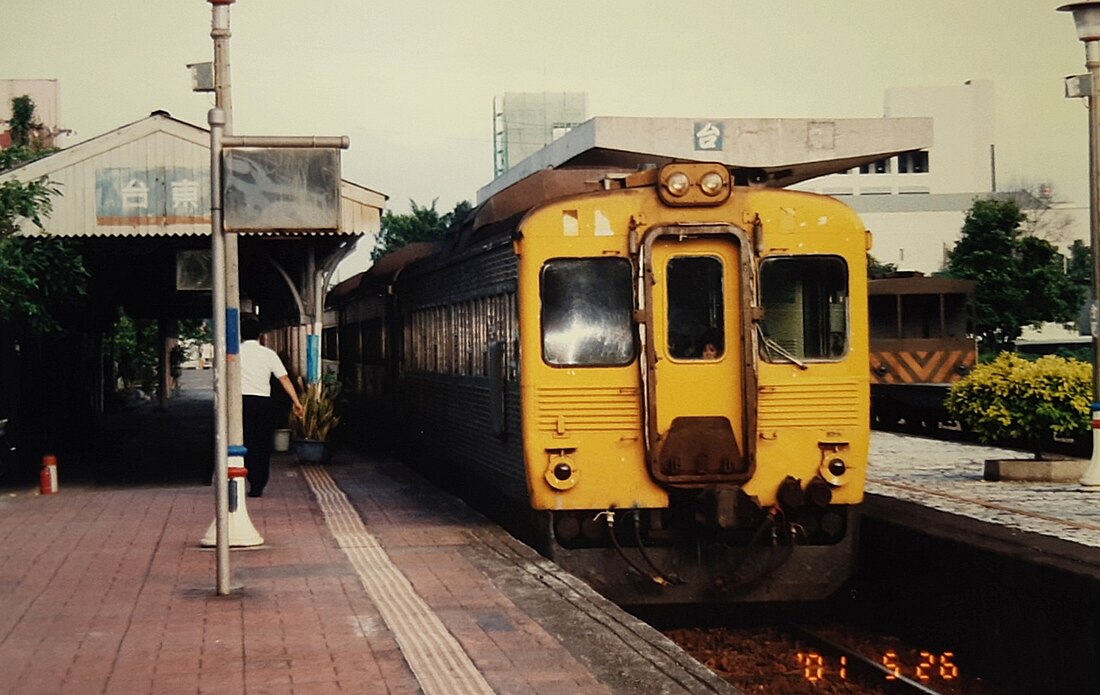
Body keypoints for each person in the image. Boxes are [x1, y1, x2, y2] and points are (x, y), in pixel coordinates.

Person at [239, 315, 304, 497]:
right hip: (262, 402)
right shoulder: (268, 354)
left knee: (244, 441)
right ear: (259, 334)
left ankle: (246, 476)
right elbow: (284, 379)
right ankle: (258, 483)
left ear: (241, 335)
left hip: (241, 402)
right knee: (262, 443)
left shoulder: (234, 353)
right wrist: (297, 402)